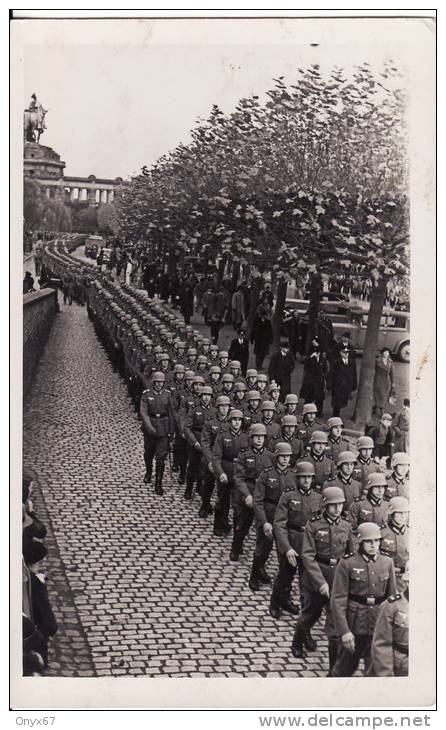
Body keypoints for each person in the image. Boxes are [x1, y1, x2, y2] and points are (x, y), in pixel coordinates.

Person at [291, 487, 354, 672]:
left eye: (340, 505)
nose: (336, 509)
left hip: (339, 580)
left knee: (335, 626)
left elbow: (350, 555)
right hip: (316, 579)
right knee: (310, 614)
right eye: (332, 505)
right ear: (325, 505)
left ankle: (333, 669)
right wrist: (320, 583)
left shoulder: (346, 526)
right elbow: (308, 556)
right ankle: (298, 640)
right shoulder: (314, 525)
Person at [330, 522, 396, 677]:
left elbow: (392, 599)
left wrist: (391, 629)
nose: (374, 545)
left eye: (377, 541)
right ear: (360, 542)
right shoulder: (347, 563)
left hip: (378, 625)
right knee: (343, 669)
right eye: (369, 541)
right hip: (354, 625)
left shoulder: (387, 562)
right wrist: (344, 631)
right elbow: (338, 600)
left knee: (374, 671)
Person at [271, 461, 321, 620]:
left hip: (309, 545)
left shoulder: (318, 498)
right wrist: (286, 548)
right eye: (303, 477)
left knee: (306, 580)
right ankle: (276, 602)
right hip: (292, 542)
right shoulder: (288, 496)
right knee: (285, 576)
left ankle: (304, 611)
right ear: (297, 478)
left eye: (309, 477)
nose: (306, 481)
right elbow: (279, 524)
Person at [249, 442, 297, 591]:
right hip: (269, 516)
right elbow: (258, 500)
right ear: (276, 457)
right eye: (282, 456)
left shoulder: (294, 476)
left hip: (285, 519)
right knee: (262, 549)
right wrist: (263, 522)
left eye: (287, 456)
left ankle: (282, 586)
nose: (285, 459)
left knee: (284, 552)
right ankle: (255, 576)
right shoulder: (266, 474)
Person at [231, 423, 274, 561]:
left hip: (263, 496)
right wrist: (247, 495)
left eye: (262, 437)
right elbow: (238, 478)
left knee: (262, 528)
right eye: (256, 437)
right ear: (251, 438)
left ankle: (260, 559)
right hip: (248, 493)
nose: (259, 439)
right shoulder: (244, 455)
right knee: (242, 525)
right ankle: (236, 547)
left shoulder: (270, 456)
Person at [212, 409, 248, 536]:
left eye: (239, 420)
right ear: (230, 421)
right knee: (222, 500)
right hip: (226, 471)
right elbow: (216, 456)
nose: (237, 423)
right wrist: (220, 473)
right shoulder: (222, 436)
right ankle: (219, 525)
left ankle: (237, 534)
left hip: (239, 473)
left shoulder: (246, 437)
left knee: (239, 504)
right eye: (234, 420)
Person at [370, 563, 409, 676]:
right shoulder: (392, 605)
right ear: (407, 582)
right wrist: (386, 674)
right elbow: (381, 644)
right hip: (400, 665)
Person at [139, 371, 175, 495]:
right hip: (151, 427)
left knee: (161, 457)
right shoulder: (146, 395)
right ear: (153, 382)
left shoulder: (167, 395)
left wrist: (171, 431)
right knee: (148, 452)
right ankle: (149, 472)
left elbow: (171, 413)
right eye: (157, 382)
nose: (159, 384)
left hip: (163, 429)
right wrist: (149, 427)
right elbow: (143, 412)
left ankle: (158, 484)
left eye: (161, 382)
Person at [299, 338, 327, 416]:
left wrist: (324, 378)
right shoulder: (310, 354)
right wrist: (311, 356)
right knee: (308, 396)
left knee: (319, 396)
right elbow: (303, 361)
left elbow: (324, 368)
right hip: (310, 379)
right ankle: (306, 410)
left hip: (319, 379)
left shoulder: (322, 357)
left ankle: (318, 412)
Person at [327, 346, 358, 417]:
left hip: (346, 385)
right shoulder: (336, 362)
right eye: (344, 352)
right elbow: (331, 374)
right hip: (337, 385)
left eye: (347, 353)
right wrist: (329, 385)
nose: (346, 354)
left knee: (343, 400)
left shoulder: (352, 362)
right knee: (336, 402)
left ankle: (338, 414)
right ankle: (335, 416)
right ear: (341, 353)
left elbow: (354, 374)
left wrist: (354, 385)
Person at [373, 348, 395, 418]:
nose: (386, 354)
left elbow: (392, 374)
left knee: (384, 396)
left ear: (389, 354)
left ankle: (379, 408)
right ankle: (379, 409)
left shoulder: (390, 362)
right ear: (382, 353)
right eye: (385, 352)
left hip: (386, 381)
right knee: (378, 395)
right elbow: (373, 371)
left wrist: (393, 383)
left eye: (387, 353)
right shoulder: (377, 361)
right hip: (378, 380)